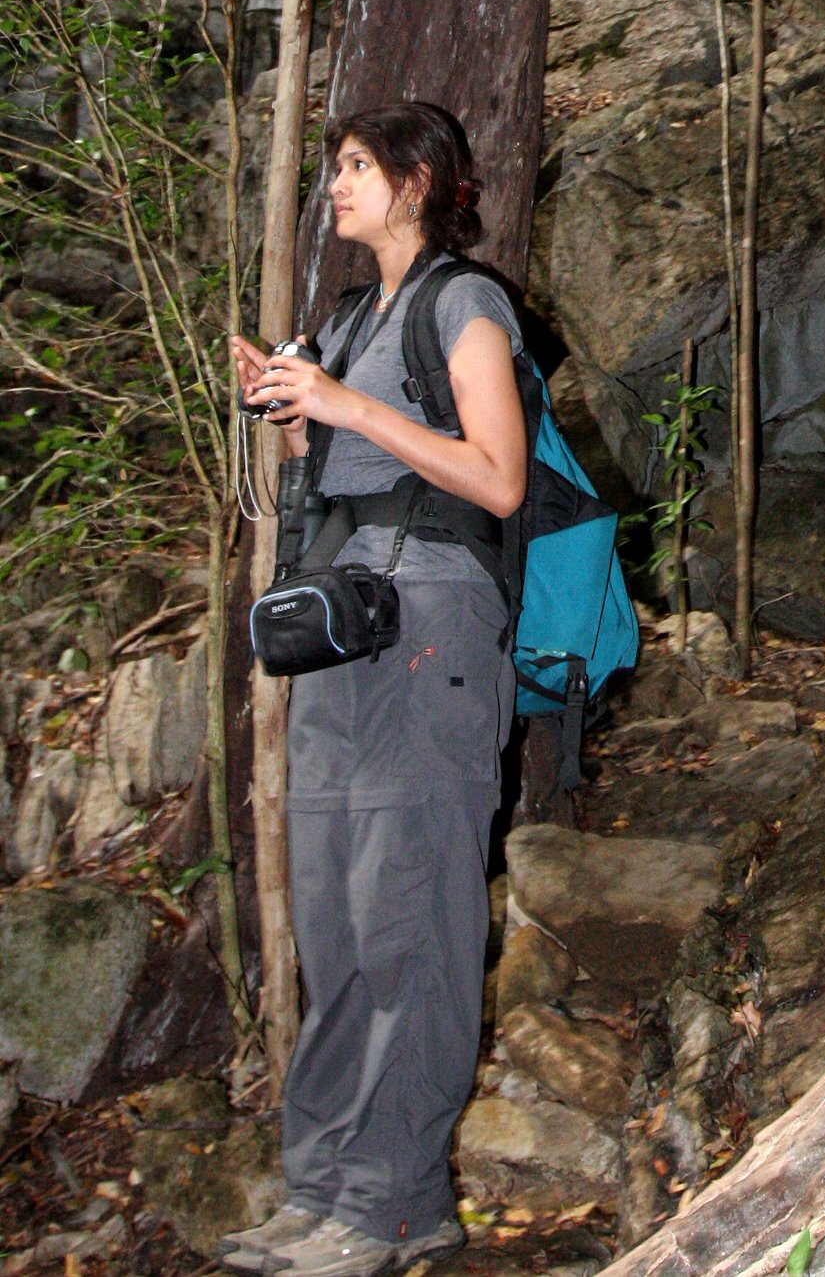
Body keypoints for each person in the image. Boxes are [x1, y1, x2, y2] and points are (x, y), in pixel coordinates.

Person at [219, 102, 528, 1277]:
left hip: (434, 636)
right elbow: (340, 480)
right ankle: (324, 1189)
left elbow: (497, 480)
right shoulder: (349, 320)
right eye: (337, 167)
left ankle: (397, 1208)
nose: (336, 187)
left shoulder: (466, 303)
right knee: (338, 925)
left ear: (415, 183)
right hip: (344, 636)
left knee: (411, 922)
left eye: (355, 168)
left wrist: (350, 406)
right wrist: (297, 414)